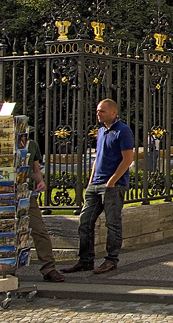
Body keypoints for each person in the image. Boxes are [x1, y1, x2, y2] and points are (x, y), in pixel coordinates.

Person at [62, 99, 134, 275]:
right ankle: (85, 260)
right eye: (97, 111)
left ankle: (111, 260)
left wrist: (112, 180)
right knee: (85, 221)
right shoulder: (101, 131)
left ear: (113, 112)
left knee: (112, 223)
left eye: (102, 111)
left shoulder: (123, 131)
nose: (98, 114)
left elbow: (128, 159)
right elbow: (98, 157)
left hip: (113, 185)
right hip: (96, 184)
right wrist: (91, 180)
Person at [26, 133, 65, 282]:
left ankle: (48, 268)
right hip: (3, 194)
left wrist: (40, 181)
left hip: (26, 194)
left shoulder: (31, 145)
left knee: (39, 230)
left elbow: (35, 170)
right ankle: (4, 268)